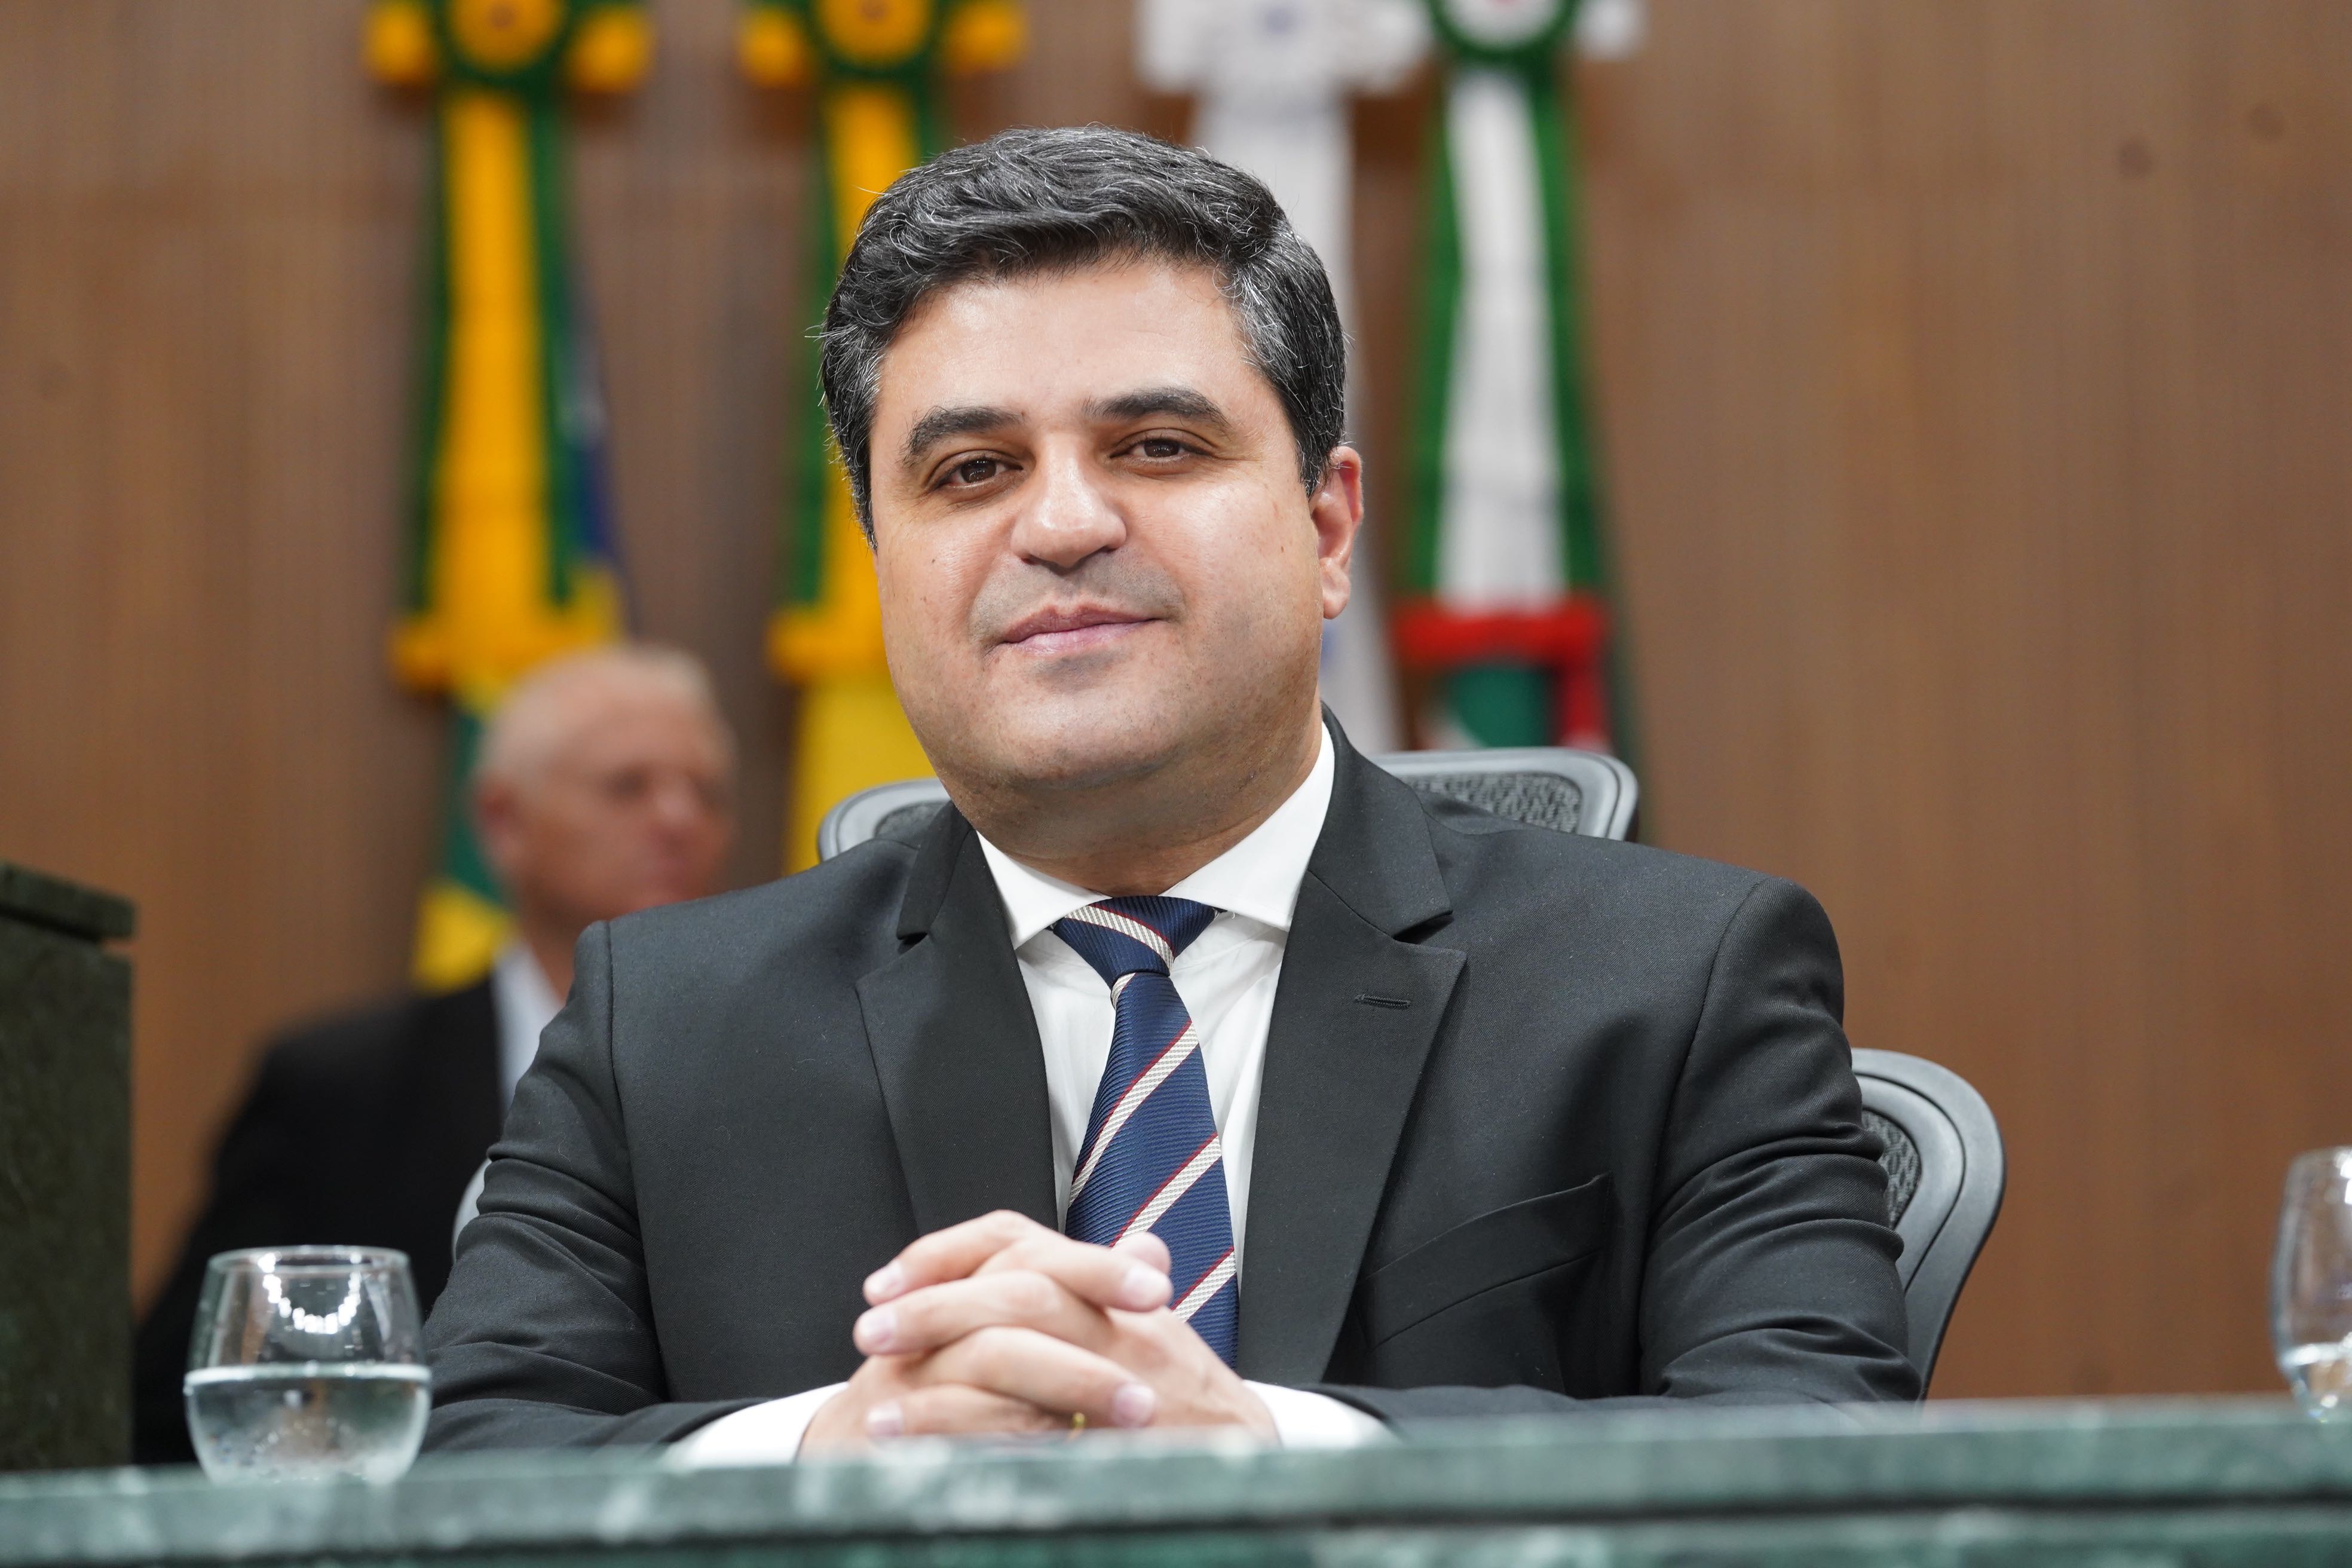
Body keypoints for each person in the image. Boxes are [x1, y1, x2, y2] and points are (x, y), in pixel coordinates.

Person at [424, 126, 1917, 1459]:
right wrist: (825, 1448)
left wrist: (1272, 1442)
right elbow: (459, 1467)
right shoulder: (660, 1025)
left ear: (1327, 527)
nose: (1064, 523)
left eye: (1155, 446)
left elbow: (1817, 1450)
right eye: (971, 471)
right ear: (883, 567)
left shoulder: (1677, 982)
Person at [131, 645, 736, 1463]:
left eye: (708, 792)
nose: (680, 820)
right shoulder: (339, 1091)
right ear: (502, 822)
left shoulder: (778, 1062)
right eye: (628, 786)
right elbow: (180, 1399)